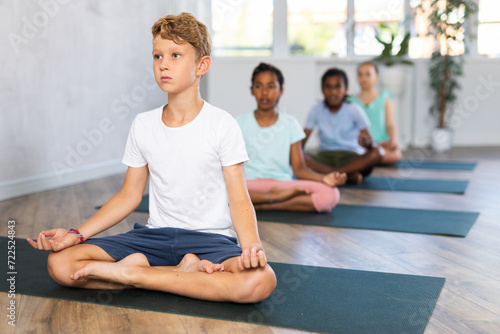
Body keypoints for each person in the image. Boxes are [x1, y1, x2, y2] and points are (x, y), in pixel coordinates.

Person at [27, 13, 276, 304]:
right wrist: (76, 235)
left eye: (175, 55)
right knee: (59, 264)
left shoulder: (222, 124)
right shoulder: (143, 124)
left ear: (202, 65)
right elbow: (129, 196)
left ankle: (137, 276)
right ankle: (182, 273)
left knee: (260, 281)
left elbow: (239, 197)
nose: (164, 64)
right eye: (158, 56)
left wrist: (252, 247)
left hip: (210, 241)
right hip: (154, 239)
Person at [236, 63, 346, 212]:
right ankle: (278, 198)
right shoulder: (238, 123)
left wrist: (323, 179)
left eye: (271, 86)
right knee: (223, 190)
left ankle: (261, 204)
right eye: (259, 86)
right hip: (249, 184)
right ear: (251, 90)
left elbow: (299, 168)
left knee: (330, 194)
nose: (264, 92)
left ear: (281, 91)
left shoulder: (290, 124)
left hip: (282, 184)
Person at [302, 68, 383, 184]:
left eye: (338, 87)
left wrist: (368, 143)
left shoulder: (354, 109)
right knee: (295, 155)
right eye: (328, 87)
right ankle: (346, 175)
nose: (333, 92)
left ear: (346, 89)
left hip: (351, 158)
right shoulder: (316, 110)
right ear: (322, 89)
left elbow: (370, 142)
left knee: (378, 152)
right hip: (324, 158)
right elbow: (301, 143)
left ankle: (334, 174)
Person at [348, 61, 402, 165]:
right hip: (359, 146)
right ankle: (371, 158)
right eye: (360, 74)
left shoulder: (385, 98)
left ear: (377, 77)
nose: (363, 78)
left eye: (368, 74)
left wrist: (393, 141)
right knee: (354, 152)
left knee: (396, 154)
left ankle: (367, 160)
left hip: (381, 145)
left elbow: (390, 125)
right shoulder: (350, 101)